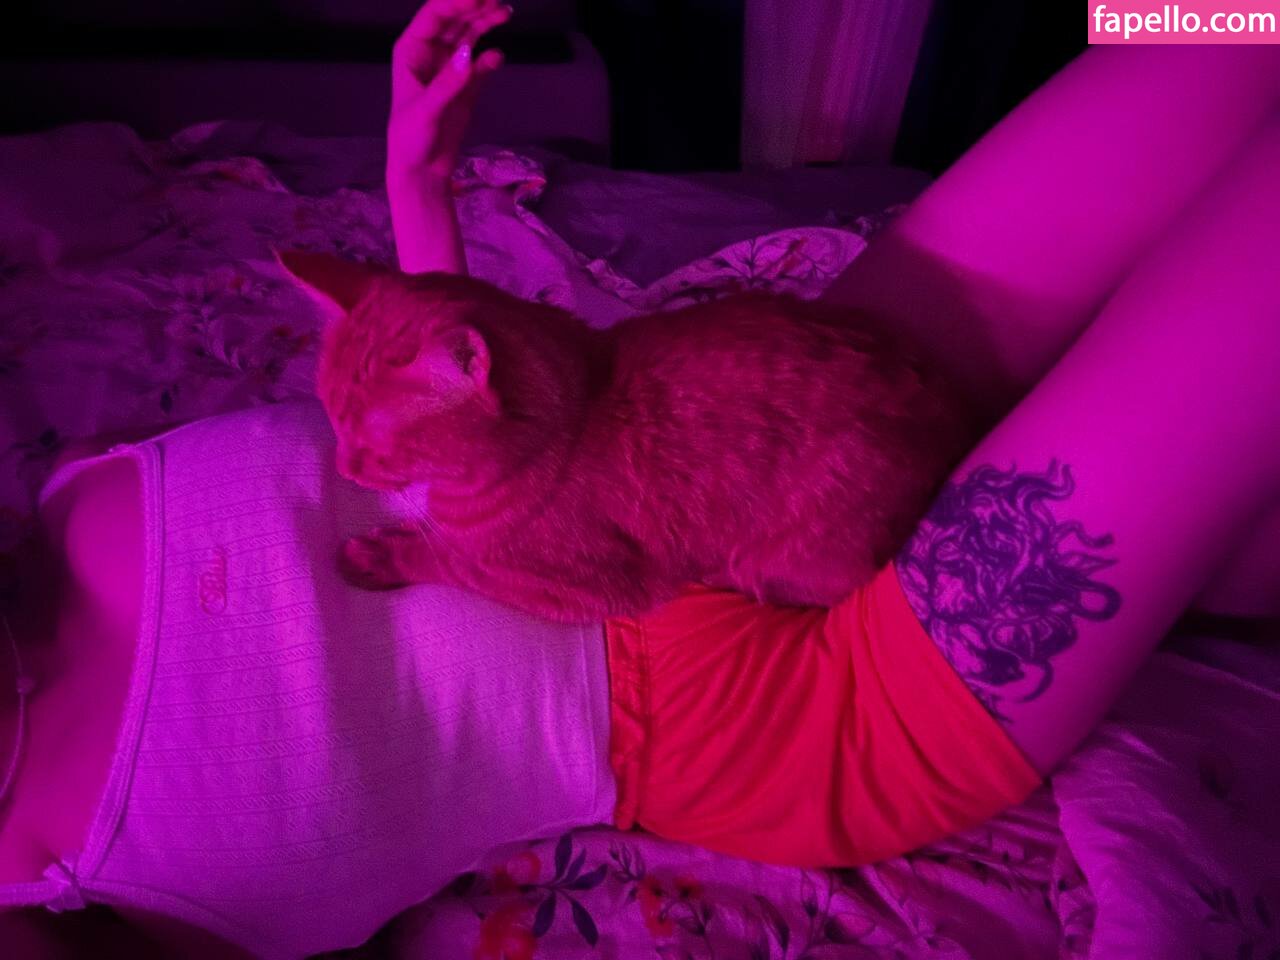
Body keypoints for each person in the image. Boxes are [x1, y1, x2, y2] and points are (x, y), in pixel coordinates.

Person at [1, 1, 1277, 955]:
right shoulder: (38, 873)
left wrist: (418, 189)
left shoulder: (56, 511)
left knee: (1211, 33)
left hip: (721, 435)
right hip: (786, 713)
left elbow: (461, 421)